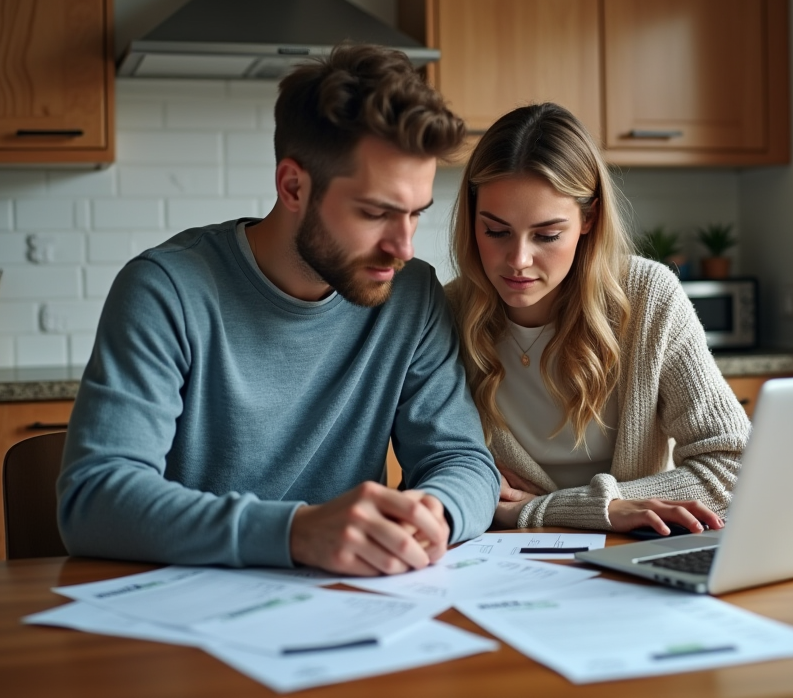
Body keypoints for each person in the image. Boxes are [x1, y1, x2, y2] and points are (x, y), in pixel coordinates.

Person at [58, 44, 500, 576]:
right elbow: (92, 498)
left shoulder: (411, 295)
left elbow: (464, 462)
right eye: (375, 213)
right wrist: (295, 531)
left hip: (344, 605)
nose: (403, 246)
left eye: (414, 214)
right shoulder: (167, 291)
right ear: (293, 186)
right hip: (186, 608)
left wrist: (434, 513)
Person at [446, 103, 749, 534]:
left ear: (588, 219)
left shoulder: (648, 298)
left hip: (632, 551)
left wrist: (546, 509)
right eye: (495, 231)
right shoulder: (446, 316)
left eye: (547, 235)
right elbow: (437, 476)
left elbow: (735, 467)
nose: (518, 260)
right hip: (504, 563)